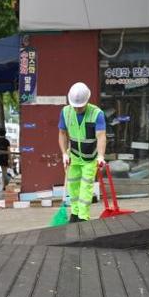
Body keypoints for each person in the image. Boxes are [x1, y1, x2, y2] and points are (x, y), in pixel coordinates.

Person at [58, 82, 106, 222]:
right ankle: (75, 212)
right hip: (73, 155)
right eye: (75, 106)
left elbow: (101, 136)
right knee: (73, 185)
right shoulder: (66, 112)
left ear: (87, 100)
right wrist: (64, 153)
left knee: (86, 187)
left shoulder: (97, 114)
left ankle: (83, 217)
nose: (78, 109)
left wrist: (101, 156)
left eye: (81, 106)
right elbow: (62, 133)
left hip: (91, 158)